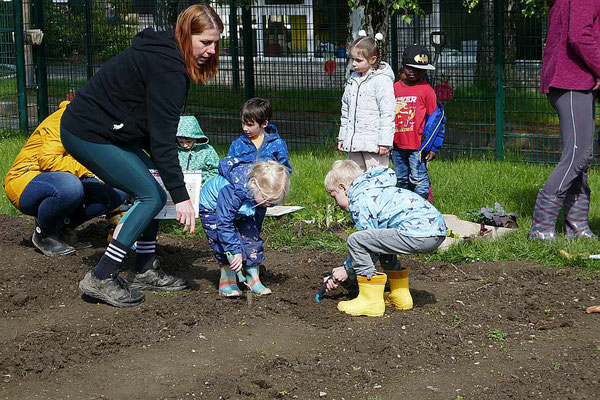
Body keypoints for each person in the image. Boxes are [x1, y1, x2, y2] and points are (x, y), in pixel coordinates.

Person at [60, 4, 224, 307]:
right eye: (205, 42)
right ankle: (101, 276)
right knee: (151, 194)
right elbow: (162, 139)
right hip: (86, 131)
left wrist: (170, 179)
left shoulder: (168, 55)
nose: (212, 50)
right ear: (186, 35)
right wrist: (181, 195)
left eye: (216, 42)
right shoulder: (169, 70)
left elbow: (153, 131)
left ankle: (145, 267)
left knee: (156, 182)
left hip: (110, 130)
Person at [322, 160, 446, 317]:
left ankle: (370, 301)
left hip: (418, 232)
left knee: (356, 240)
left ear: (343, 187)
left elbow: (367, 246)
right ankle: (400, 296)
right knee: (382, 242)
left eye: (334, 197)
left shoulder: (360, 200)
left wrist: (346, 269)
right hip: (436, 230)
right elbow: (377, 242)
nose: (336, 204)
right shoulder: (374, 190)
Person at [4, 100, 123, 257]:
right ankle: (44, 234)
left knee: (116, 192)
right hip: (26, 179)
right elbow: (48, 159)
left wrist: (115, 214)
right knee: (71, 187)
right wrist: (90, 170)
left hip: (61, 178)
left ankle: (63, 230)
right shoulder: (64, 119)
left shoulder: (94, 124)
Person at [529, 0, 600, 240]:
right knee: (577, 155)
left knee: (582, 156)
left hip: (575, 81)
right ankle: (541, 227)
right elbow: (580, 36)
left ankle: (577, 226)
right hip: (571, 81)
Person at [199, 157, 290, 297]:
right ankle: (227, 282)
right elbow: (224, 223)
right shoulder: (232, 191)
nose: (268, 205)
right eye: (266, 200)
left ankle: (253, 280)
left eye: (271, 204)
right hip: (214, 210)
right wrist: (235, 250)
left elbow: (257, 218)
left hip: (241, 208)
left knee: (251, 240)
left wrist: (252, 239)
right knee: (223, 244)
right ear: (254, 183)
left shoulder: (261, 196)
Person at [227, 97, 292, 232]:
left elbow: (284, 169)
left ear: (264, 123)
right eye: (243, 123)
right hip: (242, 194)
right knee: (238, 224)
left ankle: (253, 242)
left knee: (255, 227)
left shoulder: (277, 144)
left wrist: (276, 189)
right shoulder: (237, 145)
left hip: (263, 195)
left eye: (250, 125)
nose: (245, 128)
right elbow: (229, 167)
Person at [337, 30, 396, 170]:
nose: (354, 64)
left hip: (374, 144)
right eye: (352, 59)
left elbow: (387, 113)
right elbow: (345, 111)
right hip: (354, 142)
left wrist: (384, 142)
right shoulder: (353, 80)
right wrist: (343, 137)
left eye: (358, 60)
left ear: (373, 59)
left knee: (376, 179)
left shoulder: (382, 81)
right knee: (356, 178)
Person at [392, 44, 444, 200]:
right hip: (397, 146)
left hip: (418, 148)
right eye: (410, 68)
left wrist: (434, 147)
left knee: (418, 179)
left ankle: (423, 206)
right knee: (401, 179)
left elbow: (437, 122)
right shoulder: (394, 88)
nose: (413, 72)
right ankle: (407, 206)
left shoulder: (427, 91)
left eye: (418, 69)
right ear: (403, 66)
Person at [177, 115, 220, 182]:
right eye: (181, 142)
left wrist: (205, 185)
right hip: (179, 186)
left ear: (196, 138)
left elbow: (216, 169)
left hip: (202, 187)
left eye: (189, 142)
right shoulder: (175, 151)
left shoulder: (207, 150)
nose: (185, 145)